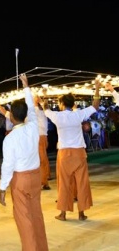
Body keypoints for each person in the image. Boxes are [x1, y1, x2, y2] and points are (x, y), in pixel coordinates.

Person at [43, 80, 116, 221]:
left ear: (62, 104)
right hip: (79, 153)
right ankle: (81, 213)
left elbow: (45, 109)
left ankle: (63, 214)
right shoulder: (78, 114)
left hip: (64, 154)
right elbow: (95, 106)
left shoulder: (58, 116)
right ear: (72, 104)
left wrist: (45, 96)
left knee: (64, 183)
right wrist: (96, 88)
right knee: (82, 182)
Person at [0, 74, 47, 250]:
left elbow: (7, 166)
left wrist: (2, 188)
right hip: (35, 177)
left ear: (11, 117)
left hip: (20, 179)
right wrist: (26, 86)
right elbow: (32, 111)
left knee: (24, 220)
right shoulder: (33, 126)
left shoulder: (10, 138)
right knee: (36, 215)